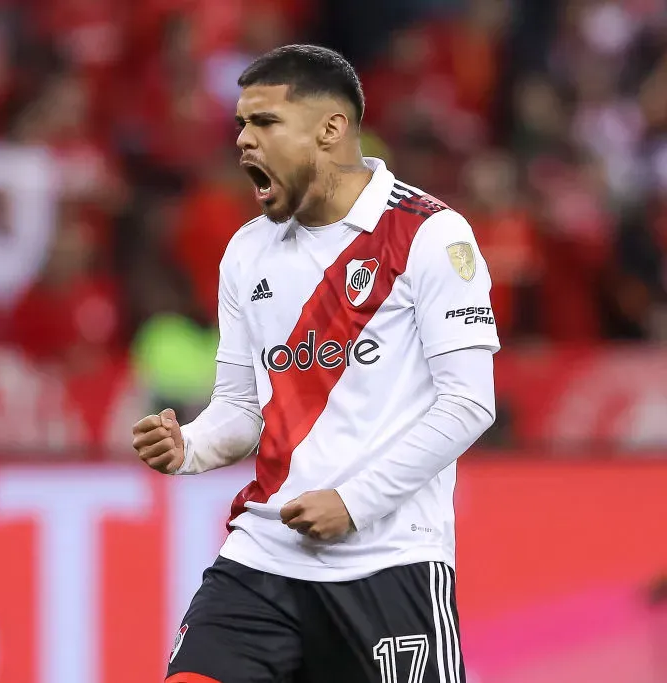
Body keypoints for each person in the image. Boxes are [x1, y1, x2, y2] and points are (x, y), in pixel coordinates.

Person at [131, 45, 499, 683]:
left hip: (390, 563)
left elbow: (469, 403)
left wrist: (352, 503)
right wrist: (187, 445)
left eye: (265, 123)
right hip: (263, 560)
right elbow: (243, 409)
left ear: (330, 129)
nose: (244, 140)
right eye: (241, 125)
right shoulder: (247, 250)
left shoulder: (431, 235)